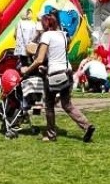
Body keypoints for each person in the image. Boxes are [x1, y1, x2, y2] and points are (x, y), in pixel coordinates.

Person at [23, 14, 95, 143]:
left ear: (45, 25)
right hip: (67, 73)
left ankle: (51, 134)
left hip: (54, 75)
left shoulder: (46, 36)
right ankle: (87, 125)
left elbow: (39, 59)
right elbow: (59, 54)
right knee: (67, 104)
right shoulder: (63, 35)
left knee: (49, 105)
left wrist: (26, 70)